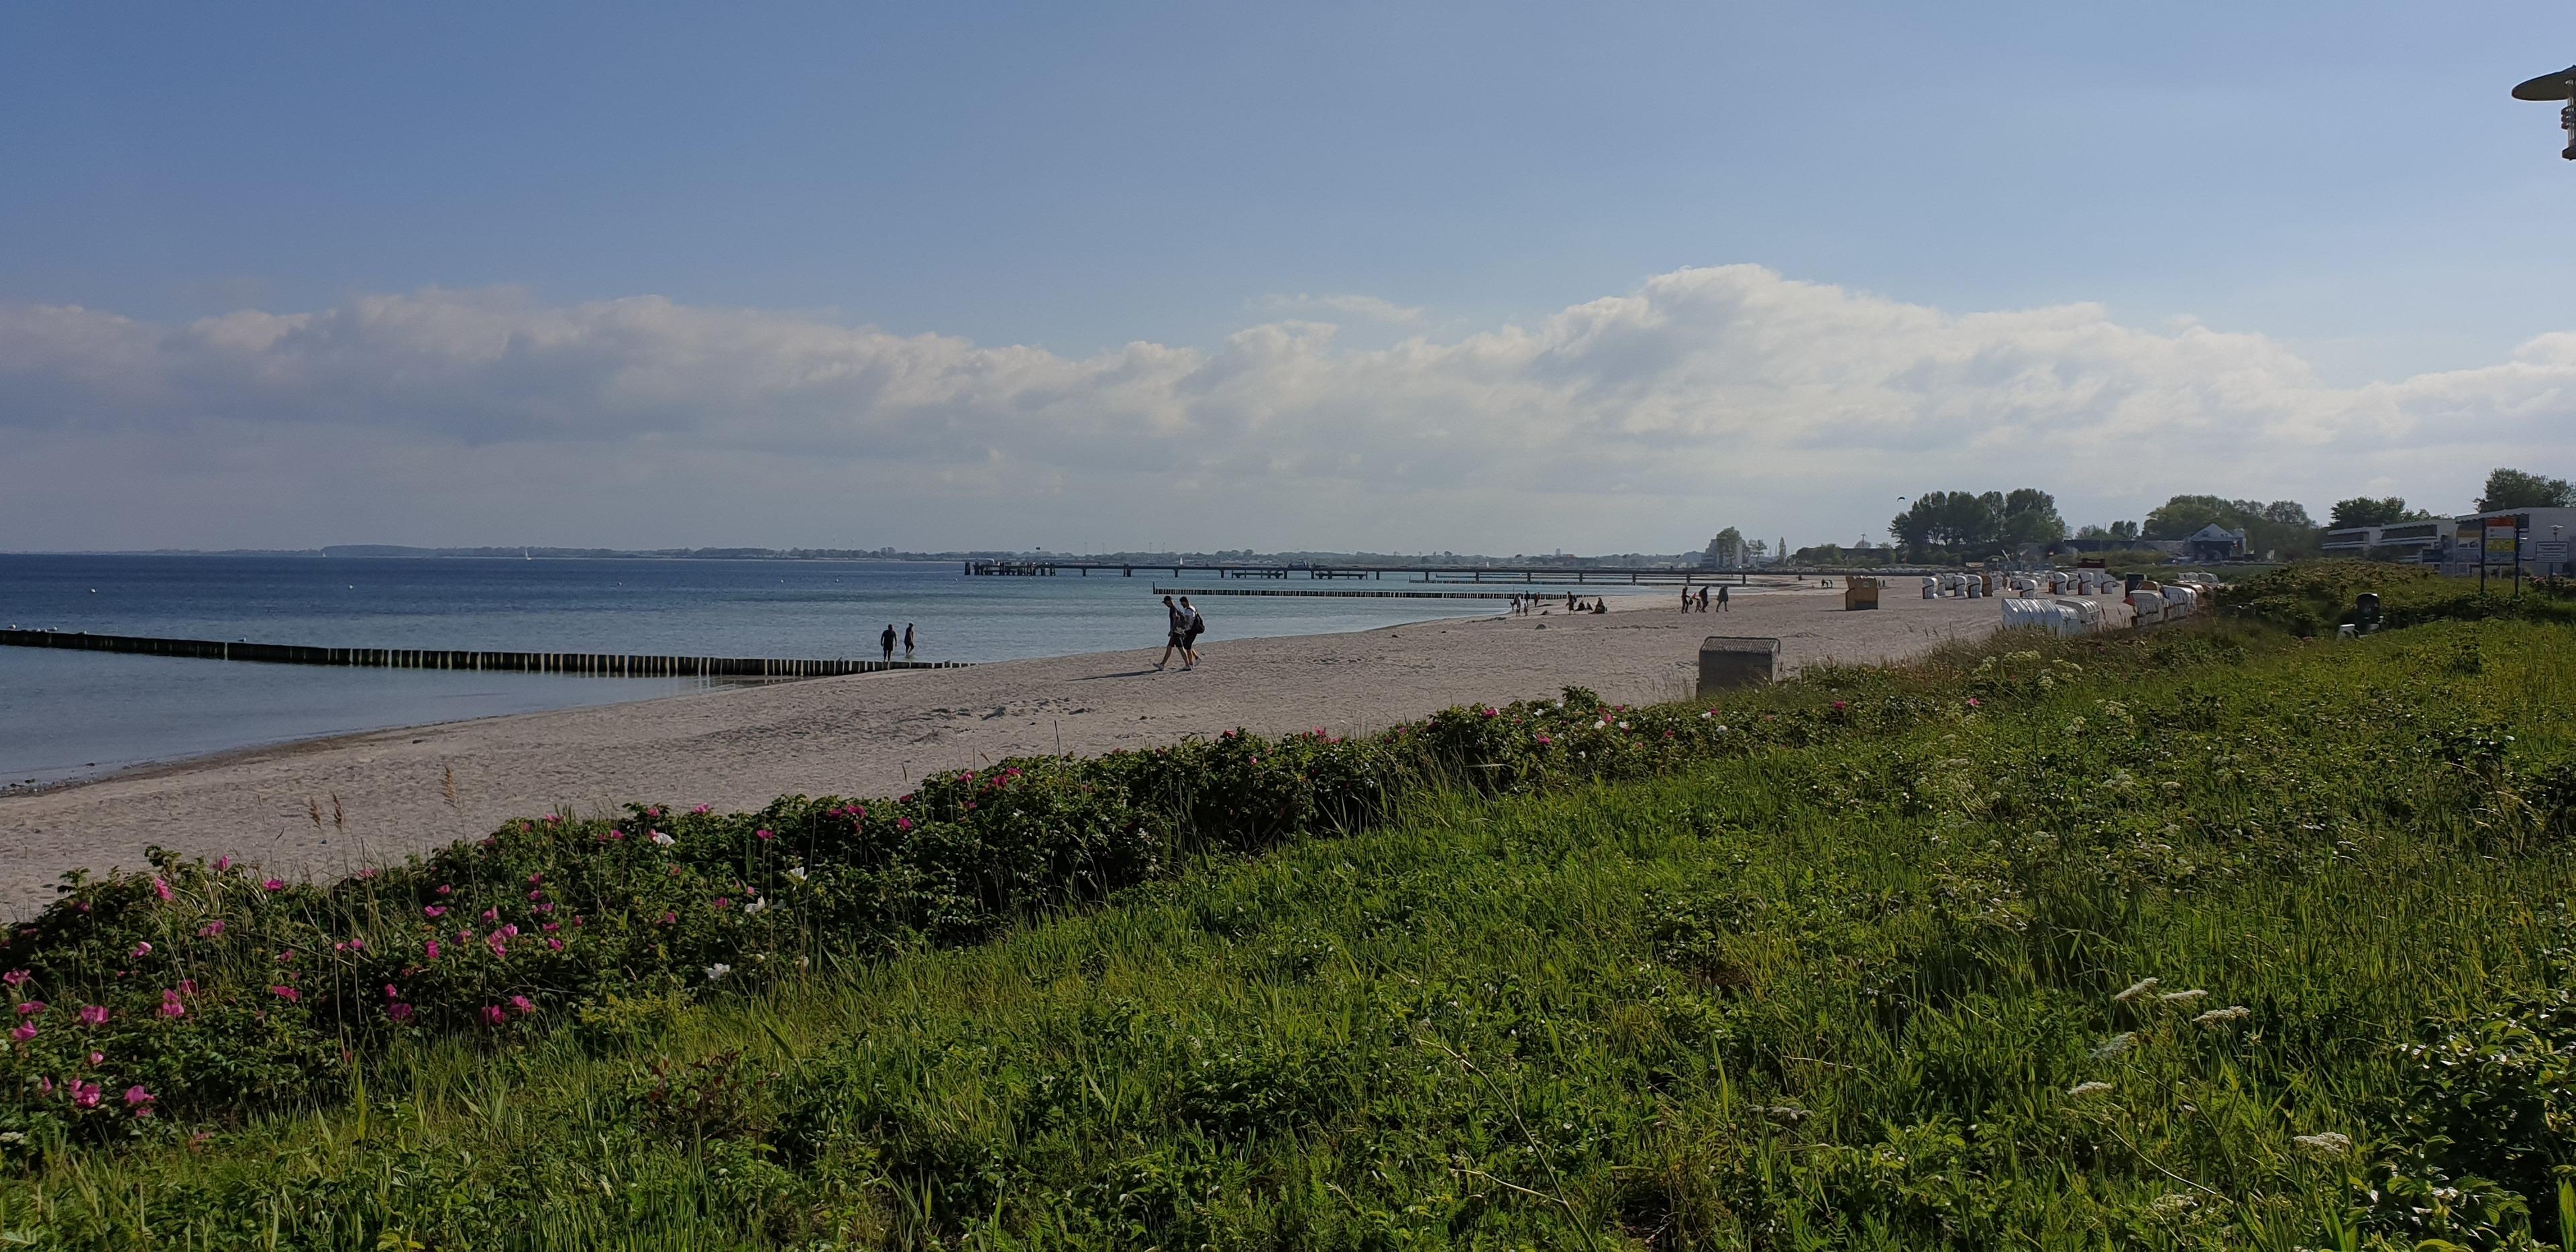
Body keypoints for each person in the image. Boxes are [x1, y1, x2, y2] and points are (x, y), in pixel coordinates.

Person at [1155, 595, 1188, 670]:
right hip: (1178, 631)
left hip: (1176, 632)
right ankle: (1162, 664)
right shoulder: (1177, 608)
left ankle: (1188, 665)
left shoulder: (1173, 609)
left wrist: (1172, 631)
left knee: (1181, 648)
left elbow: (1176, 619)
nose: (1166, 605)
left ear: (1169, 601)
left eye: (1166, 603)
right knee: (1170, 647)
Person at [1179, 595, 1205, 669]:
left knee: (1187, 647)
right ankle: (1196, 658)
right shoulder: (1193, 608)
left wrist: (1183, 628)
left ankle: (1190, 664)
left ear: (1185, 602)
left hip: (1190, 630)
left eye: (1182, 603)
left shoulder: (1187, 611)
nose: (1182, 605)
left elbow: (1187, 621)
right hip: (1193, 630)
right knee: (1188, 646)